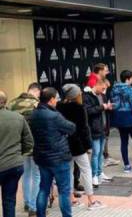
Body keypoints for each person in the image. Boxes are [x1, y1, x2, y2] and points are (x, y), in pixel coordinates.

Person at [57, 84, 105, 210]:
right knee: (86, 171)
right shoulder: (79, 108)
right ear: (76, 95)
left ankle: (72, 199)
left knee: (69, 172)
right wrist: (88, 145)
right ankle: (91, 201)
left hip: (64, 144)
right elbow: (84, 128)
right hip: (78, 145)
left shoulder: (59, 106)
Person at [30, 87, 76, 217]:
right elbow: (71, 128)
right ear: (51, 100)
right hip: (59, 158)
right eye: (56, 98)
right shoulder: (54, 115)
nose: (57, 101)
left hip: (42, 158)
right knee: (64, 191)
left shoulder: (34, 114)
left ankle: (40, 214)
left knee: (44, 188)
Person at [7, 83, 41, 216]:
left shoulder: (11, 103)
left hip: (18, 145)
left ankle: (27, 202)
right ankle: (33, 206)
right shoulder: (36, 103)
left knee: (26, 174)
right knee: (36, 174)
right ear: (36, 91)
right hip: (34, 144)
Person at [0, 90, 34, 217]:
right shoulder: (18, 118)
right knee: (9, 200)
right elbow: (29, 142)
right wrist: (19, 155)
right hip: (14, 165)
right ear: (5, 101)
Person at [84, 79, 113, 187]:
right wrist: (102, 107)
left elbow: (104, 110)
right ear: (96, 85)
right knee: (95, 153)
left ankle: (100, 173)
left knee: (100, 153)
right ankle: (94, 176)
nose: (104, 90)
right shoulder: (87, 96)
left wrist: (108, 108)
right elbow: (88, 111)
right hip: (94, 129)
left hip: (103, 128)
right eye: (103, 88)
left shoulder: (103, 96)